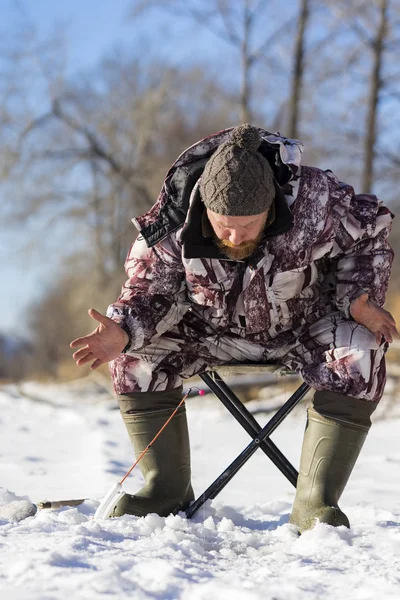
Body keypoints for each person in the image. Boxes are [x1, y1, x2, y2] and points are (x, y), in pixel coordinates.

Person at [70, 124, 398, 532]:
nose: (233, 236)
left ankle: (316, 505)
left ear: (272, 206)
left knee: (361, 349)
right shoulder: (173, 222)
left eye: (248, 226)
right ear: (204, 206)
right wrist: (123, 329)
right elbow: (148, 291)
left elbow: (371, 230)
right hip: (210, 334)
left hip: (304, 330)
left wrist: (359, 298)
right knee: (135, 358)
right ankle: (165, 491)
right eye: (223, 224)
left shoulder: (315, 202)